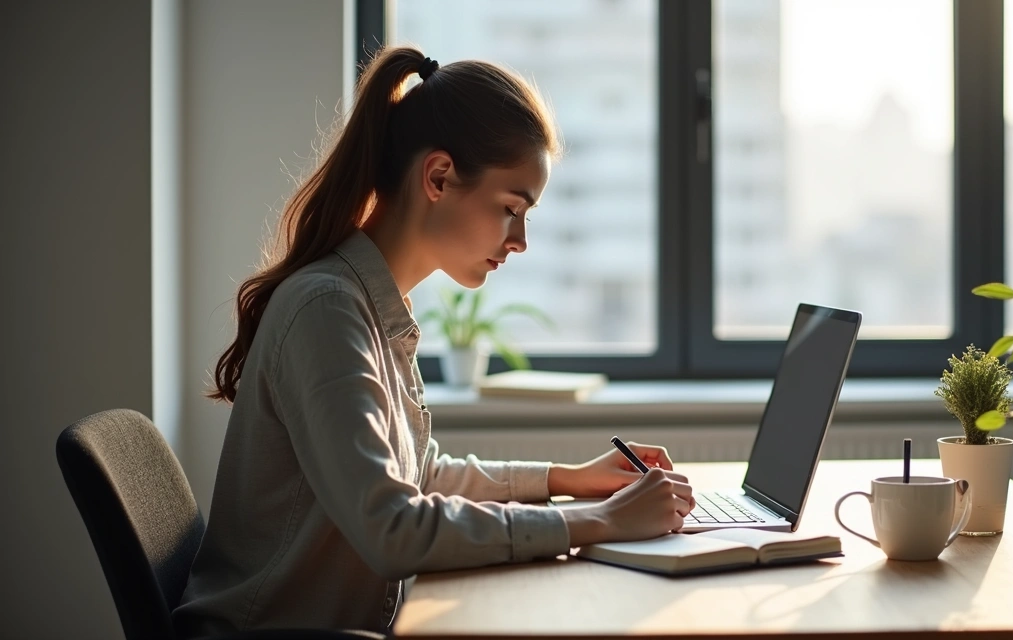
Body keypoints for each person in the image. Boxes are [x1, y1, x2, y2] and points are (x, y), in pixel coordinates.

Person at [171, 46, 695, 638]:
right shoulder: (327, 310)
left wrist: (565, 479)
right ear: (439, 177)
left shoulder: (368, 303)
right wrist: (597, 521)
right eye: (509, 209)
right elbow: (393, 527)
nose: (520, 240)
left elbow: (416, 476)